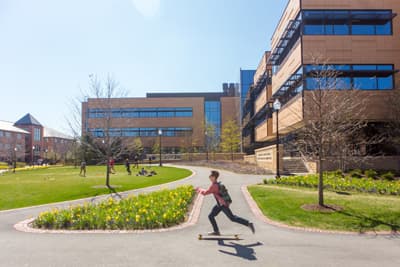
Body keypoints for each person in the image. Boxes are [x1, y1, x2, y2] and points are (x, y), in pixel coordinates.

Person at [196, 170, 255, 236]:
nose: (209, 177)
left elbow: (205, 193)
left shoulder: (214, 186)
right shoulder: (217, 184)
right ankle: (216, 231)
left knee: (232, 218)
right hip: (220, 204)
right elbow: (208, 191)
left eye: (210, 176)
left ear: (214, 177)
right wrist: (201, 189)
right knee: (211, 216)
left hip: (222, 205)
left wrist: (198, 190)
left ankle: (248, 223)